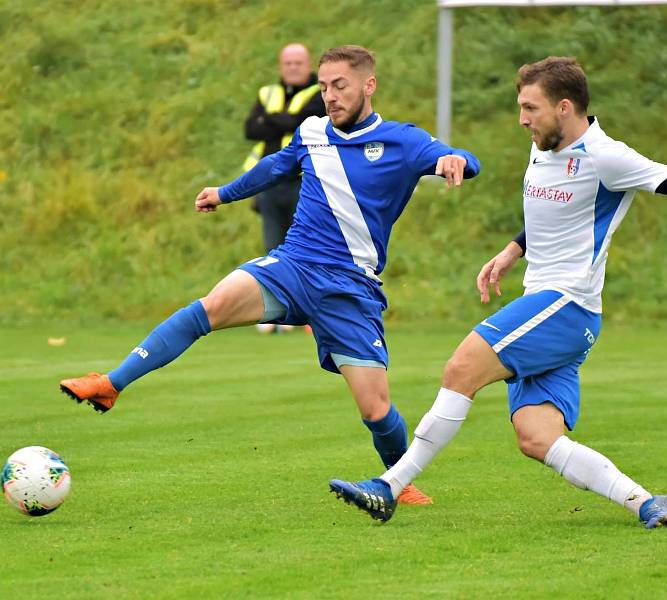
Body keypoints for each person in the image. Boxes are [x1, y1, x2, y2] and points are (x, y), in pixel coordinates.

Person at [330, 56, 667, 528]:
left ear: (565, 107)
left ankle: (389, 486)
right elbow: (555, 212)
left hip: (567, 304)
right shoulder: (543, 145)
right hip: (550, 307)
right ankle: (645, 502)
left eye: (530, 108)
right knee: (537, 438)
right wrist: (513, 250)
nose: (522, 119)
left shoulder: (607, 156)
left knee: (461, 368)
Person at [59, 45, 481, 507]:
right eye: (324, 87)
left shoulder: (403, 141)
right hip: (293, 265)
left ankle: (399, 482)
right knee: (211, 306)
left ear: (368, 85)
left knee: (375, 408)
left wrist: (456, 161)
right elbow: (274, 167)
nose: (330, 96)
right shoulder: (312, 131)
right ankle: (111, 384)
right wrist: (224, 193)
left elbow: (460, 156)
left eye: (339, 85)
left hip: (349, 289)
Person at [243, 43, 326, 254]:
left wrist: (270, 119)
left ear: (309, 65)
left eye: (298, 63)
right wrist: (287, 121)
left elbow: (302, 123)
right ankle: (277, 287)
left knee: (305, 245)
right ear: (280, 67)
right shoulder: (268, 93)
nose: (293, 68)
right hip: (270, 181)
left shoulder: (321, 92)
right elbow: (251, 129)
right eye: (288, 63)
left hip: (304, 180)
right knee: (273, 250)